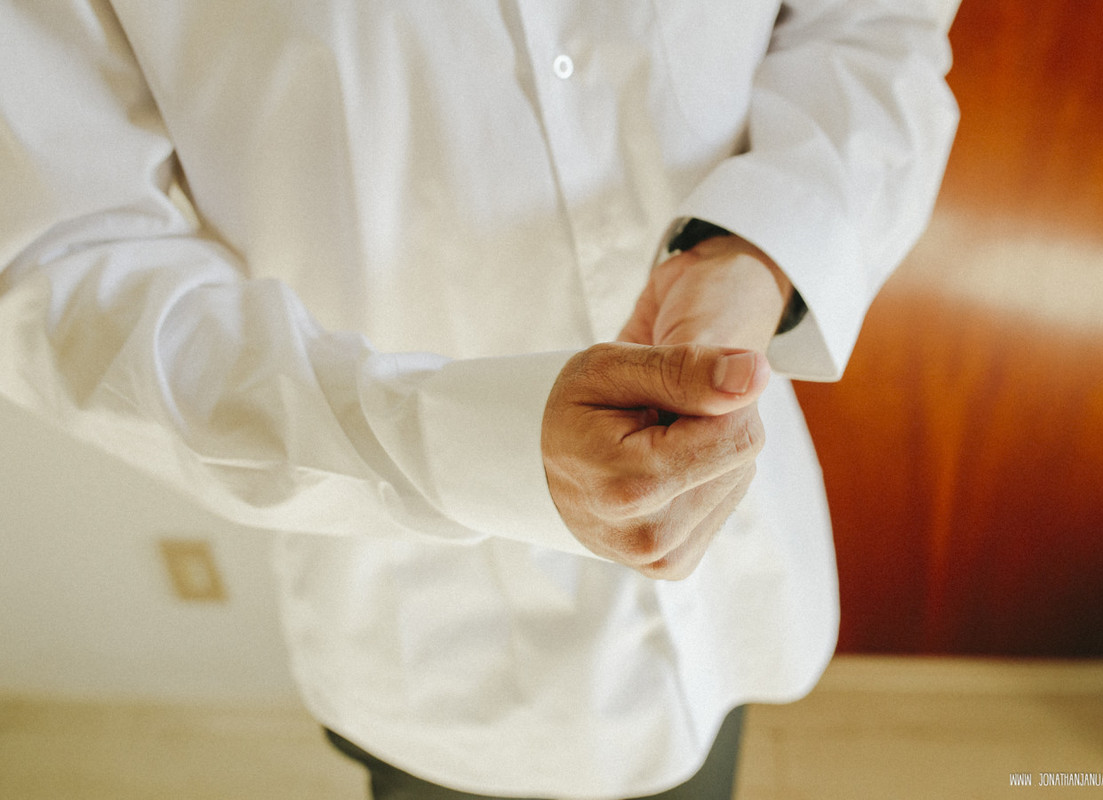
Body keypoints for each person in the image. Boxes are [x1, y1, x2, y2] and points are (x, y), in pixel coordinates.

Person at [0, 1, 957, 798]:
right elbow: (60, 262)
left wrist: (756, 247)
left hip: (739, 561)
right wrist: (473, 447)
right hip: (444, 638)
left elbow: (874, 25)